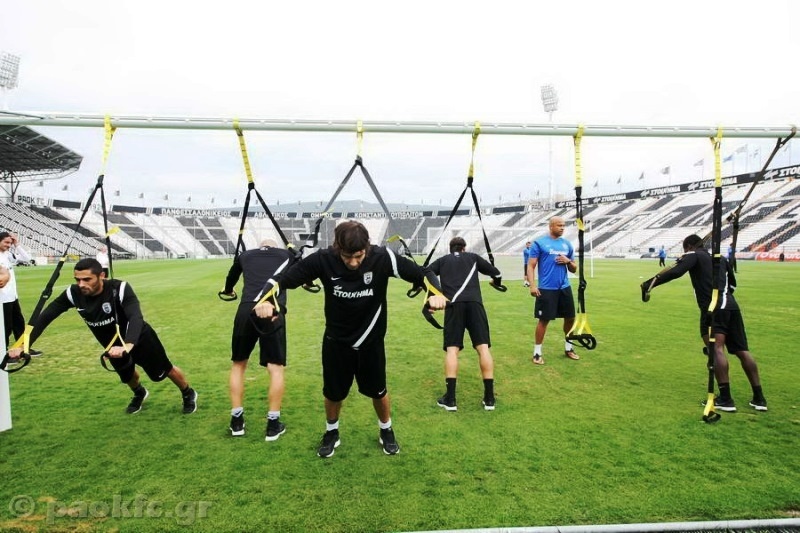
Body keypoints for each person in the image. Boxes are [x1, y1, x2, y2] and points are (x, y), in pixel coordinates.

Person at [254, 220, 447, 458]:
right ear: (337, 247)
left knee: (378, 392)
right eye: (347, 256)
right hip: (336, 342)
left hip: (371, 343)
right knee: (333, 394)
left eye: (359, 256)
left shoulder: (382, 257)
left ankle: (386, 430)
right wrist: (265, 300)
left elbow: (422, 273)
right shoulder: (323, 259)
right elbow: (282, 280)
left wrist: (435, 293)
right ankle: (331, 432)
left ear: (367, 247)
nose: (354, 262)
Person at [8, 258, 198, 415]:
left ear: (102, 276)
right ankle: (139, 393)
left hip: (139, 337)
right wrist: (23, 346)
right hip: (111, 344)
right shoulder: (73, 294)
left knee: (164, 371)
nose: (81, 284)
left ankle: (187, 392)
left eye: (87, 279)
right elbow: (44, 318)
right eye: (77, 279)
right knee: (127, 375)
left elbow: (135, 316)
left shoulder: (120, 288)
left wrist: (129, 344)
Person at [641, 234, 767, 411]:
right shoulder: (720, 258)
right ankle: (759, 398)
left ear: (689, 246)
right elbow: (732, 285)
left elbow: (676, 271)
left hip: (713, 308)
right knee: (742, 351)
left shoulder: (693, 255)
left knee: (716, 349)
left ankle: (725, 398)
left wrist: (650, 284)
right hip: (731, 306)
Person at [220, 239, 296, 441]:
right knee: (275, 368)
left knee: (238, 365)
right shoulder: (286, 255)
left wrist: (228, 290)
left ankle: (237, 421)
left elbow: (230, 280)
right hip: (272, 309)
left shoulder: (245, 255)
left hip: (246, 309)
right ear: (274, 246)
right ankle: (273, 424)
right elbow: (302, 275)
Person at [428, 237, 502, 411]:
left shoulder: (443, 260)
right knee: (483, 348)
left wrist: (432, 296)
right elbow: (497, 273)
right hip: (475, 305)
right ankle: (489, 398)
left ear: (450, 248)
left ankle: (451, 399)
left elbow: (426, 274)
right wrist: (495, 282)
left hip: (453, 306)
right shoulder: (473, 257)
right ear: (464, 248)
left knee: (452, 350)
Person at [526, 216, 579, 365]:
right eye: (559, 225)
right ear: (551, 226)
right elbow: (531, 266)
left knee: (570, 318)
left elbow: (574, 268)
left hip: (564, 287)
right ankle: (537, 353)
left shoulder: (567, 244)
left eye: (564, 225)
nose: (562, 228)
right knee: (544, 320)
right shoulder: (539, 243)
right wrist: (532, 285)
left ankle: (569, 348)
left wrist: (568, 261)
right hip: (546, 289)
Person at [0, 232, 42, 356]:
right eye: (6, 242)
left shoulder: (7, 254)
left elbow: (27, 259)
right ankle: (4, 353)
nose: (8, 245)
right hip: (2, 298)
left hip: (12, 296)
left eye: (9, 242)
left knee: (19, 323)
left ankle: (23, 348)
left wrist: (17, 244)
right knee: (5, 327)